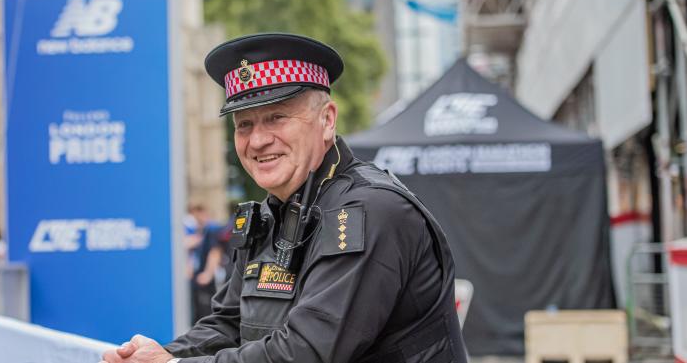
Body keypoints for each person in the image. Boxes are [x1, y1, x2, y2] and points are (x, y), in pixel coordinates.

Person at [102, 33, 467, 363]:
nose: (257, 140)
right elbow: (230, 324)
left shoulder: (368, 211)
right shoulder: (271, 214)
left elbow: (306, 352)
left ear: (327, 120)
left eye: (276, 117)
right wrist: (162, 353)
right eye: (244, 124)